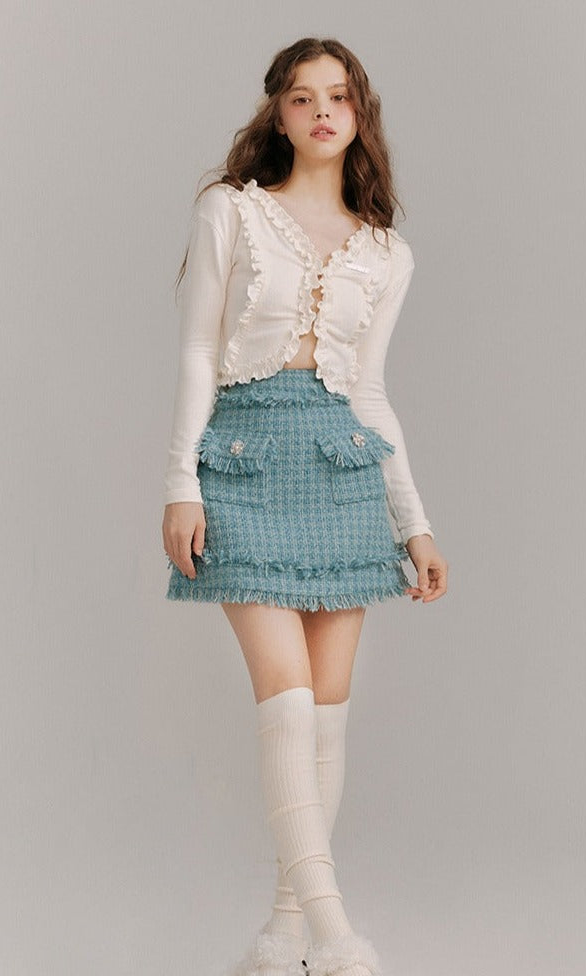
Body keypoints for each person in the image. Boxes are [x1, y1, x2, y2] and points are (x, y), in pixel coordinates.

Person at [162, 36, 448, 976]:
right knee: (285, 700)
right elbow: (198, 353)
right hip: (244, 465)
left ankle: (284, 933)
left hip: (342, 473)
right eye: (300, 97)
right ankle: (333, 931)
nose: (321, 111)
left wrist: (414, 523)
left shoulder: (388, 252)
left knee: (326, 714)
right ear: (278, 116)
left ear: (359, 113)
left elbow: (370, 391)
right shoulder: (232, 212)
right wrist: (180, 483)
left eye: (338, 96)